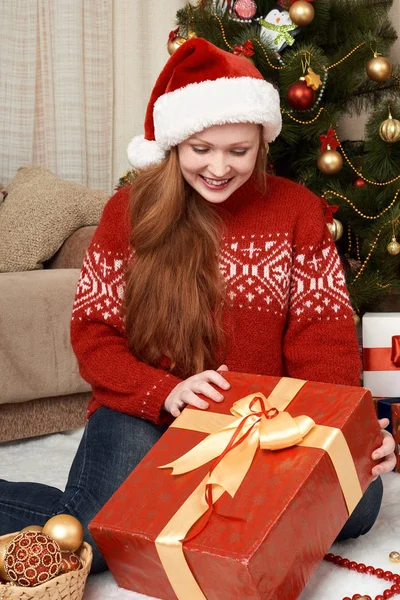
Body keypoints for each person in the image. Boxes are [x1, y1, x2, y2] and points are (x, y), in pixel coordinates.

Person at [0, 38, 395, 574]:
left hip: (258, 429)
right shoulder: (129, 212)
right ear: (175, 143)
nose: (219, 168)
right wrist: (167, 392)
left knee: (360, 507)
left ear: (262, 142)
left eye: (239, 150)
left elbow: (323, 344)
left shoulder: (298, 212)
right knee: (93, 541)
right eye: (201, 150)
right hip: (148, 413)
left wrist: (345, 436)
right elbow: (94, 337)